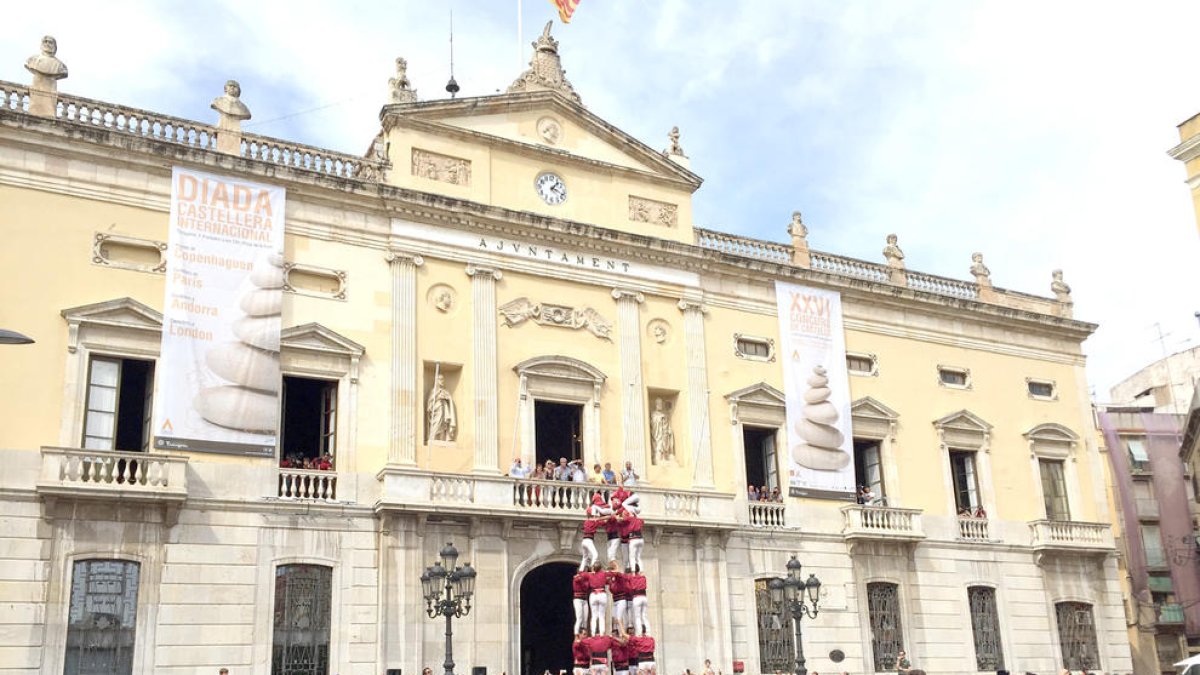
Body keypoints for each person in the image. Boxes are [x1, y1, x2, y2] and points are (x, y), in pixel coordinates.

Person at [585, 562, 610, 634]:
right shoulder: (604, 573)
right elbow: (609, 579)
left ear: (593, 568)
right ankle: (602, 634)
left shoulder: (590, 575)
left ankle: (593, 634)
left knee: (594, 616)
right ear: (601, 568)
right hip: (602, 594)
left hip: (593, 594)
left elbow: (582, 575)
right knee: (601, 616)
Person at [608, 561, 630, 632]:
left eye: (611, 571)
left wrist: (616, 565)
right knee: (614, 618)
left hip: (621, 600)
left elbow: (618, 573)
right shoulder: (611, 580)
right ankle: (616, 633)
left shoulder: (619, 577)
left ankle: (622, 633)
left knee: (619, 617)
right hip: (615, 600)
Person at [628, 568, 650, 635]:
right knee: (644, 617)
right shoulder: (643, 577)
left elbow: (632, 588)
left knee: (637, 617)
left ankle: (639, 633)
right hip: (644, 597)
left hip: (637, 597)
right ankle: (648, 632)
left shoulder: (632, 578)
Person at [572, 569, 590, 633]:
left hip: (584, 600)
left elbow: (585, 587)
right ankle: (576, 634)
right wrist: (580, 577)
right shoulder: (576, 578)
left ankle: (584, 634)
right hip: (578, 599)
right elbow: (578, 580)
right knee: (579, 618)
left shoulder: (586, 580)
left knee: (585, 619)